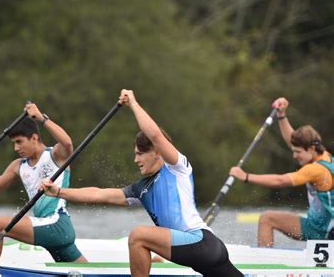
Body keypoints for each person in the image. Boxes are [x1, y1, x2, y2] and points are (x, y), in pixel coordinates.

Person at [40, 90, 242, 277]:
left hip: (202, 243)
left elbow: (154, 135)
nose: (136, 160)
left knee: (138, 236)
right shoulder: (140, 189)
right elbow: (98, 194)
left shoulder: (177, 168)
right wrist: (58, 191)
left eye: (140, 154)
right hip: (204, 256)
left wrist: (133, 104)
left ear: (156, 151)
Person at [0, 102, 87, 263]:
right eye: (14, 143)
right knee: (88, 273)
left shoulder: (56, 155)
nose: (15, 148)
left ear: (34, 138)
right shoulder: (18, 166)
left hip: (56, 224)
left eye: (19, 142)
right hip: (49, 229)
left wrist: (41, 118)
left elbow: (67, 143)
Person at [229, 97, 334, 247]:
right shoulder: (325, 156)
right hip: (325, 227)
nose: (294, 156)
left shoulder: (315, 169)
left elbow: (280, 181)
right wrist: (281, 115)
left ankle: (265, 267)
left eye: (298, 152)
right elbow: (293, 141)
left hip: (318, 230)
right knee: (267, 218)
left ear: (311, 149)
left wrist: (245, 176)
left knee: (266, 219)